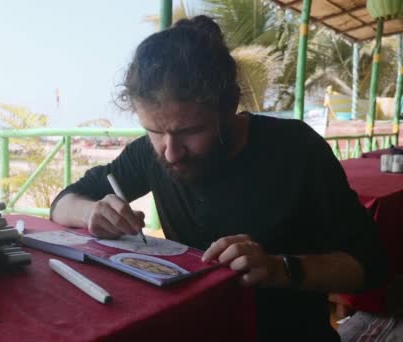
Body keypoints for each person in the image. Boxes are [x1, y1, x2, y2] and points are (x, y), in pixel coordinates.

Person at [49, 15, 387, 341]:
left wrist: (277, 268)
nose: (170, 152)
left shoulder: (296, 149)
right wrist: (92, 213)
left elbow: (368, 265)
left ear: (230, 106)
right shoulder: (148, 153)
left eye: (191, 131)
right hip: (196, 328)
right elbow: (64, 202)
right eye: (154, 131)